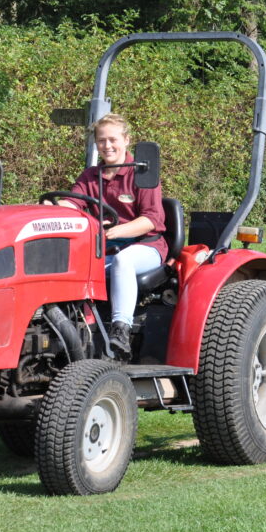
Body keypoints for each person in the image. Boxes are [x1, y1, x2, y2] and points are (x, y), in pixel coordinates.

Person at [54, 113, 166, 360]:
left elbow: (151, 219)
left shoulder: (142, 175)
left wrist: (116, 231)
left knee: (123, 261)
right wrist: (51, 208)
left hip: (145, 247)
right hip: (104, 248)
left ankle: (121, 331)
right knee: (66, 266)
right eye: (102, 141)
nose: (107, 146)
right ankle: (78, 332)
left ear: (126, 140)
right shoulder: (90, 176)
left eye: (113, 139)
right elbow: (72, 203)